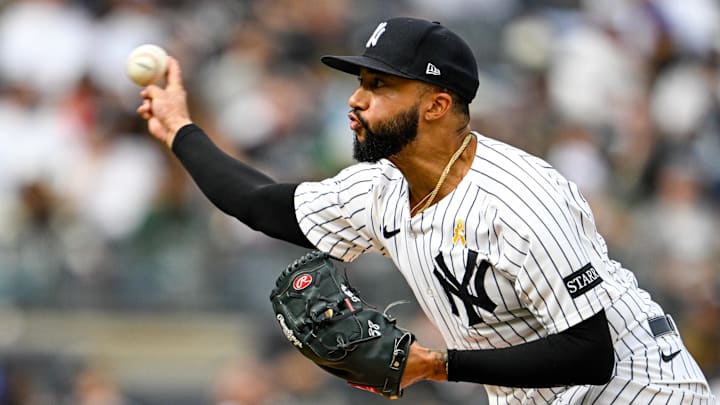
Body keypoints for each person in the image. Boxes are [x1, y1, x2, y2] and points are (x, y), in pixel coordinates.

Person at [137, 17, 716, 405]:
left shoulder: (519, 198)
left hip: (644, 393)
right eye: (361, 80)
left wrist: (435, 365)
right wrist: (180, 129)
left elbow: (590, 352)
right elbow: (259, 204)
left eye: (381, 85)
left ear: (438, 104)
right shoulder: (381, 189)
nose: (356, 99)